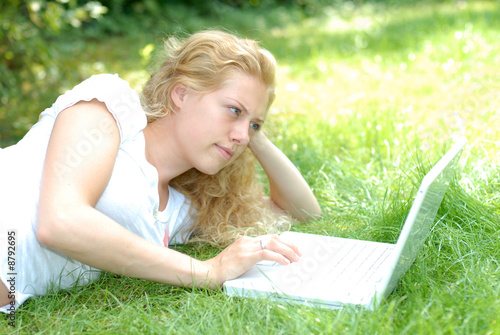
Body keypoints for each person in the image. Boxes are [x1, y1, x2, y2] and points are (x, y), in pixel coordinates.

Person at [0, 30, 321, 311]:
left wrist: (254, 133)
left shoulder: (180, 211)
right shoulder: (112, 104)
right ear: (181, 93)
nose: (241, 135)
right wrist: (208, 271)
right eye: (233, 109)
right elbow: (60, 222)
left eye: (252, 125)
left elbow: (303, 211)